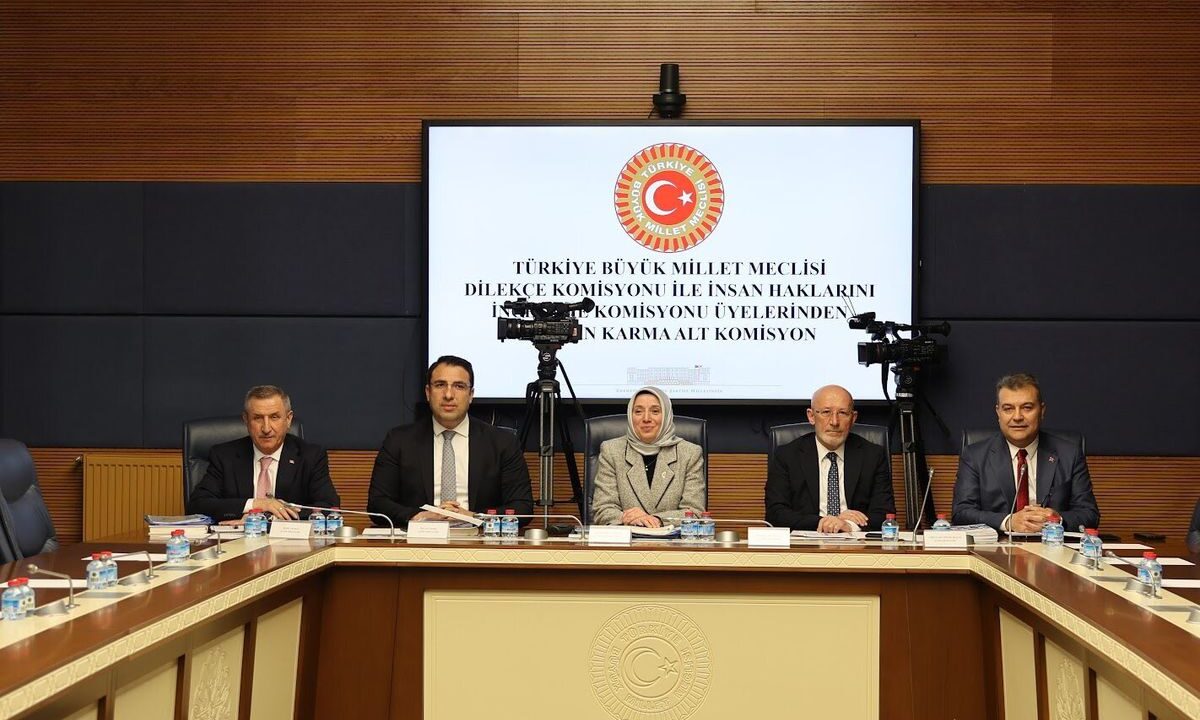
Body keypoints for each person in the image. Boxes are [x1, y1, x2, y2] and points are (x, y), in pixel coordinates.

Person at [366, 355, 534, 527]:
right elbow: (378, 503)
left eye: (459, 386)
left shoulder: (502, 443)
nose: (448, 395)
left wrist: (474, 517)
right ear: (428, 392)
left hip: (479, 537)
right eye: (440, 385)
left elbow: (522, 507)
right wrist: (420, 516)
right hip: (419, 537)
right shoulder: (399, 441)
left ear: (471, 394)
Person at [952, 373, 1100, 534]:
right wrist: (1008, 522)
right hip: (998, 545)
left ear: (1042, 411)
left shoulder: (1069, 454)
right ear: (998, 413)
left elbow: (1089, 514)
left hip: (1052, 543)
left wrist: (1056, 520)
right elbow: (961, 513)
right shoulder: (975, 456)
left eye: (1027, 408)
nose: (1017, 417)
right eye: (1008, 409)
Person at [189, 385, 340, 521]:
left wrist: (268, 518)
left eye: (274, 417)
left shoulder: (310, 456)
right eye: (258, 418)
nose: (266, 428)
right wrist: (257, 504)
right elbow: (198, 504)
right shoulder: (224, 456)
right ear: (246, 420)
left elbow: (328, 507)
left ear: (288, 419)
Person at [765, 385, 895, 532]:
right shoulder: (787, 455)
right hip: (806, 540)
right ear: (811, 416)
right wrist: (827, 522)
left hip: (856, 541)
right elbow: (775, 514)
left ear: (853, 418)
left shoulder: (873, 455)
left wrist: (848, 525)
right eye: (826, 412)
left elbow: (885, 514)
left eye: (843, 413)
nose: (834, 422)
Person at [591, 386, 706, 527]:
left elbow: (694, 512)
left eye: (655, 411)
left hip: (672, 539)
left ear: (667, 416)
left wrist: (656, 520)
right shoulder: (612, 451)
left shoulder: (689, 453)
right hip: (626, 538)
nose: (646, 418)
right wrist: (627, 518)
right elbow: (603, 509)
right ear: (630, 416)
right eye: (638, 411)